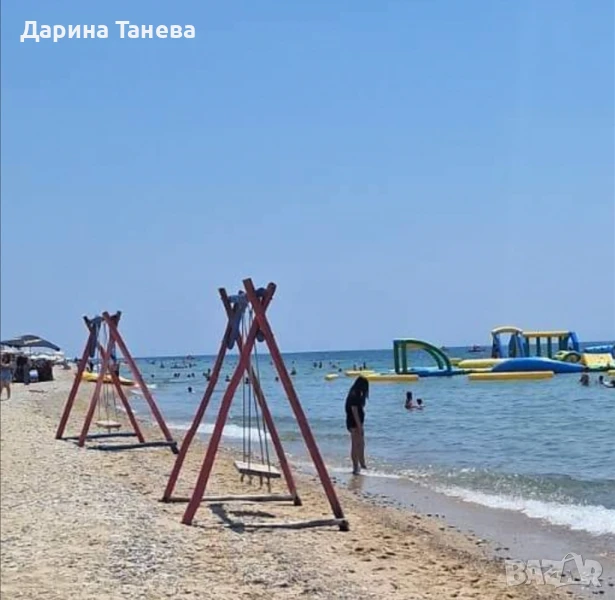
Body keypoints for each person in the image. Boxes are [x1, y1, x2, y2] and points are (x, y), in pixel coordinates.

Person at [345, 376, 368, 475]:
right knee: (355, 444)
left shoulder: (356, 393)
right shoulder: (354, 395)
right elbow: (354, 411)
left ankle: (362, 464)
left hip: (355, 422)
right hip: (354, 422)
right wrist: (359, 426)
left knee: (360, 443)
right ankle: (356, 467)